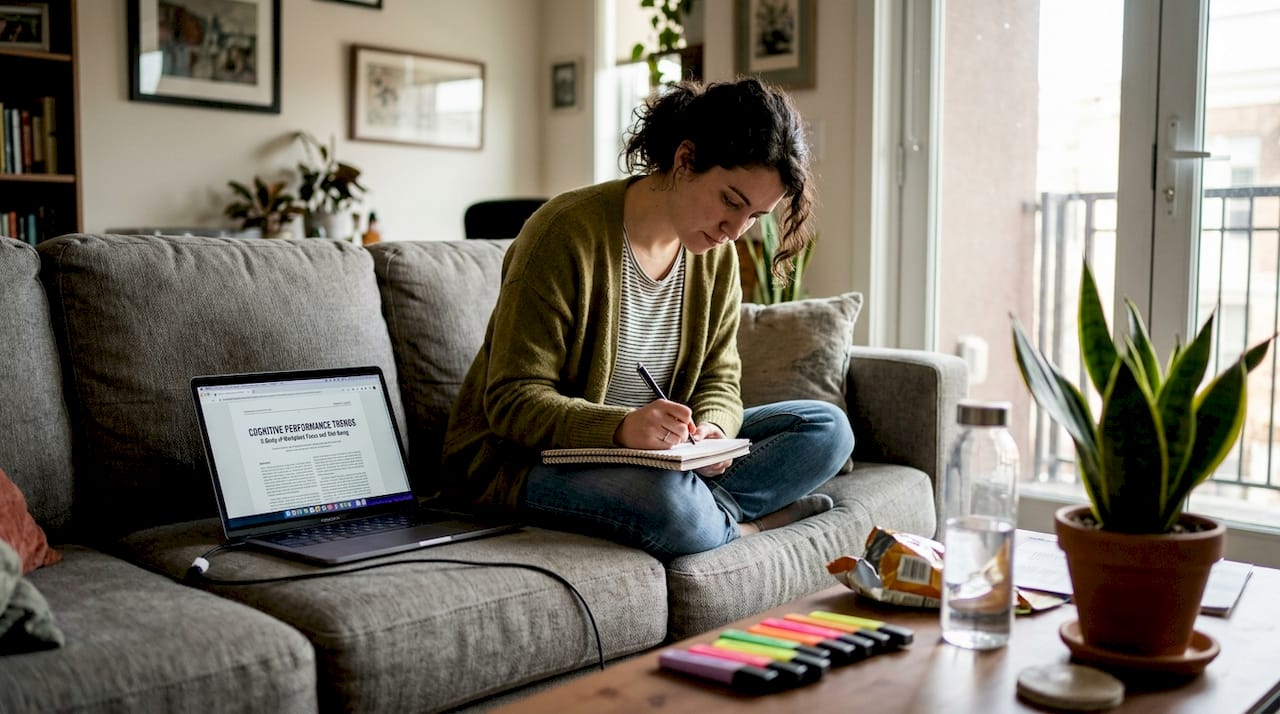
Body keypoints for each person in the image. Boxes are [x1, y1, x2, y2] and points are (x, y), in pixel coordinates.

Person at [440, 77, 854, 559]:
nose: (735, 231)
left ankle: (706, 515)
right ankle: (742, 527)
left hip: (654, 458)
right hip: (522, 462)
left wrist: (714, 432)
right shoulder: (564, 234)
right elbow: (512, 401)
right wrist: (620, 428)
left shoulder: (714, 254)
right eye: (731, 202)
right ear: (684, 161)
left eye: (755, 216)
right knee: (668, 507)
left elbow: (721, 376)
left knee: (827, 429)